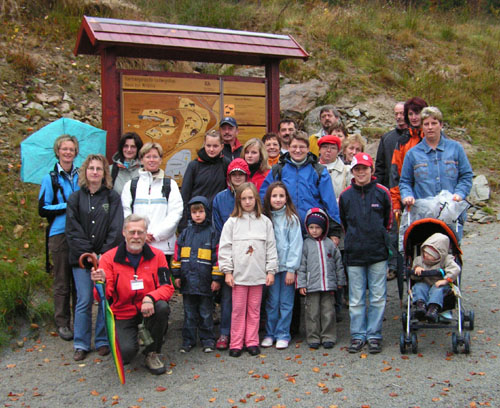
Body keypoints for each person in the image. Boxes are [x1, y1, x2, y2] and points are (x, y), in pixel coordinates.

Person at [90, 214, 174, 375]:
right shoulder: (108, 258)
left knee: (162, 307)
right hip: (123, 312)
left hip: (149, 309)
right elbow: (103, 297)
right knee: (126, 355)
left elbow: (167, 287)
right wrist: (100, 284)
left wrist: (150, 298)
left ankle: (152, 352)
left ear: (146, 233)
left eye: (140, 232)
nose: (136, 237)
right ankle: (132, 339)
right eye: (132, 232)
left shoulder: (158, 256)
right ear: (124, 233)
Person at [65, 154, 124, 361]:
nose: (95, 172)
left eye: (99, 169)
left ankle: (102, 340)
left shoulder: (112, 197)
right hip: (81, 260)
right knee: (84, 299)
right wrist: (88, 254)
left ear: (104, 173)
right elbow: (73, 230)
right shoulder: (75, 198)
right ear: (85, 171)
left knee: (103, 298)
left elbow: (116, 228)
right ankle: (81, 343)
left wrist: (103, 254)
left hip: (104, 259)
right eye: (91, 168)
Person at [338, 153, 392, 354]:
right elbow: (344, 222)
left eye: (364, 168)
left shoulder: (382, 193)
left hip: (377, 252)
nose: (361, 172)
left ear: (372, 170)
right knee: (356, 298)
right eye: (357, 169)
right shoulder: (345, 196)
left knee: (378, 297)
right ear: (352, 172)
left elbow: (388, 222)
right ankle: (358, 335)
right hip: (354, 254)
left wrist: (380, 238)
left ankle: (374, 335)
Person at [218, 182, 278, 357]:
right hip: (238, 276)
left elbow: (271, 247)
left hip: (258, 275)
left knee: (254, 309)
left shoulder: (265, 222)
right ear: (238, 201)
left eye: (250, 198)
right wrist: (227, 271)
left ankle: (251, 341)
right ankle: (236, 343)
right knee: (237, 310)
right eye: (243, 198)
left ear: (256, 199)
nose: (247, 202)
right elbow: (225, 247)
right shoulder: (232, 222)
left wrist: (271, 270)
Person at [399, 107, 473, 241]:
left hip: (451, 212)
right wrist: (407, 195)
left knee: (451, 255)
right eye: (426, 124)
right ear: (421, 127)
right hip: (423, 215)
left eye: (434, 123)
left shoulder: (455, 149)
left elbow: (466, 176)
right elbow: (405, 182)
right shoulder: (412, 154)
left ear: (441, 125)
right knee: (425, 255)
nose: (430, 127)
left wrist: (460, 193)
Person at [260, 131, 342, 241]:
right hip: (283, 230)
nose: (298, 150)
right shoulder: (278, 170)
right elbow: (263, 197)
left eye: (302, 147)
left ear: (308, 149)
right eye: (294, 146)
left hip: (313, 230)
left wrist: (334, 231)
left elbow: (330, 202)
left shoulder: (318, 171)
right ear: (288, 148)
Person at [38, 134, 79, 341]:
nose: (68, 152)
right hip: (59, 233)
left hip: (78, 233)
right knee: (62, 279)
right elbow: (42, 208)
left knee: (78, 280)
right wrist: (66, 204)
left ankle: (79, 322)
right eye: (64, 149)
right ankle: (62, 322)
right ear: (58, 151)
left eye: (71, 149)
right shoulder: (50, 178)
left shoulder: (82, 175)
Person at [172, 196, 222, 353]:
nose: (198, 215)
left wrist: (216, 279)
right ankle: (188, 340)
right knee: (189, 313)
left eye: (201, 211)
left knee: (206, 313)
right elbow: (176, 257)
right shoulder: (185, 234)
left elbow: (217, 258)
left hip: (205, 282)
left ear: (207, 212)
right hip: (187, 281)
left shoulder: (213, 233)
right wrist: (177, 276)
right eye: (194, 212)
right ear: (190, 214)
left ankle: (207, 339)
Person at [212, 158, 250, 350]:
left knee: (251, 298)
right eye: (234, 174)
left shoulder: (252, 197)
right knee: (228, 296)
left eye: (240, 174)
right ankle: (226, 333)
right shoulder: (220, 198)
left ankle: (247, 334)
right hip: (229, 252)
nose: (237, 177)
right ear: (228, 176)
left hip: (250, 256)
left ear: (246, 176)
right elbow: (218, 228)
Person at [121, 142, 183, 260]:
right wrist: (140, 234)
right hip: (137, 245)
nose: (151, 160)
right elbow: (126, 213)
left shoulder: (170, 185)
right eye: (148, 157)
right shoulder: (131, 186)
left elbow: (175, 213)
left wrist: (156, 235)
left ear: (160, 160)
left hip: (163, 247)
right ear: (141, 160)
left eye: (155, 157)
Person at [261, 182, 303, 350]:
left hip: (287, 268)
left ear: (287, 198)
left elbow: (295, 245)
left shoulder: (291, 218)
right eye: (274, 196)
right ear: (268, 198)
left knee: (286, 303)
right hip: (271, 268)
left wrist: (292, 269)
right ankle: (270, 333)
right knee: (272, 302)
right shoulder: (265, 219)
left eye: (281, 196)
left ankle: (283, 334)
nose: (278, 199)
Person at [297, 208, 345, 349]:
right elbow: (301, 266)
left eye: (318, 227)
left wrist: (340, 281)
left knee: (328, 312)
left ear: (324, 228)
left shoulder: (330, 244)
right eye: (311, 227)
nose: (314, 231)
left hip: (328, 285)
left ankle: (328, 336)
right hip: (311, 285)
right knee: (312, 313)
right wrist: (301, 284)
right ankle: (313, 337)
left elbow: (338, 264)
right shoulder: (306, 245)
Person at [374, 102, 407, 281]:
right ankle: (393, 265)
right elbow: (380, 167)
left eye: (402, 113)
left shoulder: (415, 138)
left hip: (411, 193)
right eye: (396, 114)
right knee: (392, 230)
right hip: (391, 192)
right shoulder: (387, 138)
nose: (399, 117)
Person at [179, 130, 229, 232]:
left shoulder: (225, 164)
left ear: (222, 146)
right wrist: (183, 223)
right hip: (195, 218)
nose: (211, 149)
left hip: (216, 218)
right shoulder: (194, 166)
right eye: (208, 145)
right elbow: (185, 195)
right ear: (204, 145)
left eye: (215, 146)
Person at [389, 97, 428, 215]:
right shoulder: (403, 141)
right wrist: (395, 202)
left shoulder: (434, 138)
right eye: (410, 114)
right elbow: (395, 174)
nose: (414, 117)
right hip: (409, 198)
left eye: (417, 113)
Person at [411, 233, 460, 323]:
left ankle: (433, 308)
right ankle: (420, 305)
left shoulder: (446, 260)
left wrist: (445, 280)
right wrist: (416, 270)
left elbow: (455, 269)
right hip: (425, 283)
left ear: (439, 255)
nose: (426, 255)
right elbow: (413, 276)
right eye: (424, 252)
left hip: (440, 284)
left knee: (437, 290)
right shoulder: (419, 260)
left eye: (430, 254)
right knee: (418, 287)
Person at [317, 135, 349, 200]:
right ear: (319, 150)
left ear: (338, 151)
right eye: (325, 147)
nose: (328, 150)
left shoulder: (347, 171)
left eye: (333, 148)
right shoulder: (312, 170)